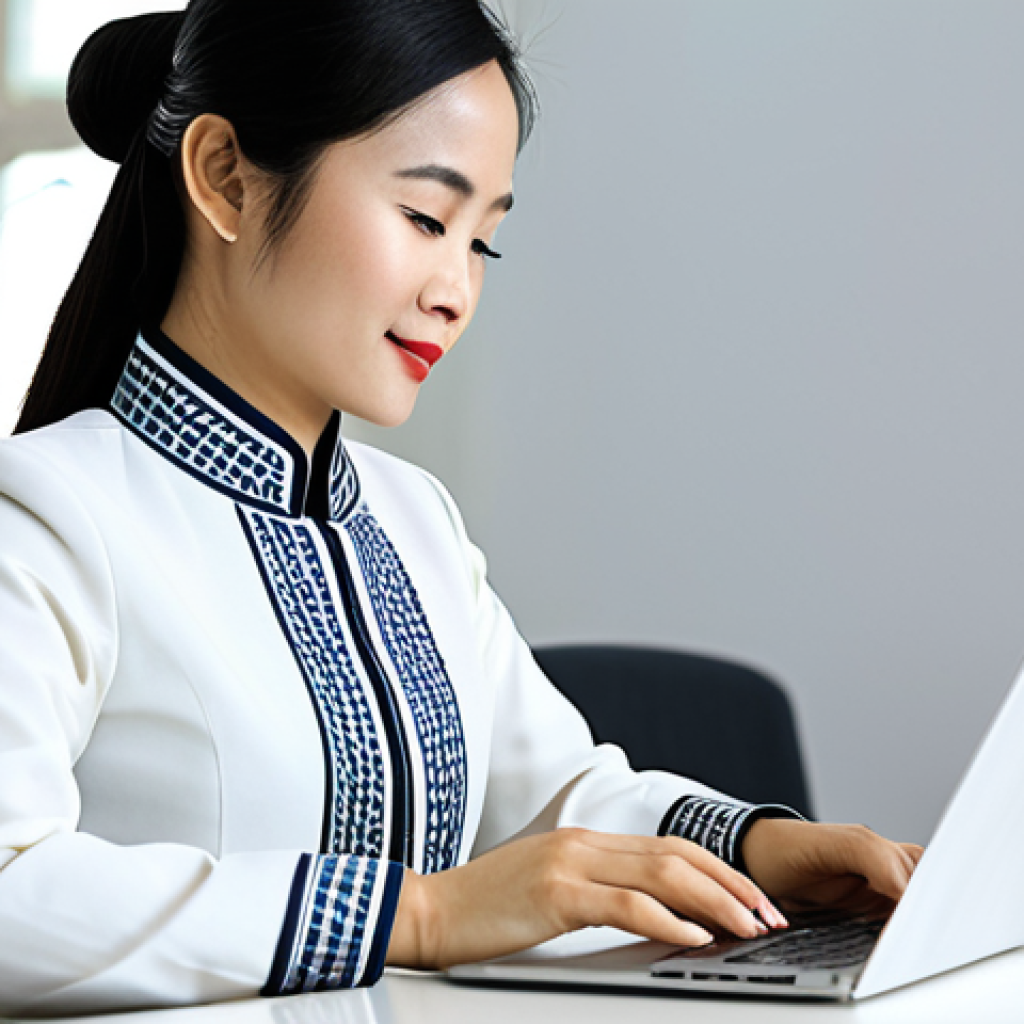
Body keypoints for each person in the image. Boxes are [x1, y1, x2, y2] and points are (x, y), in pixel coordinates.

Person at [0, 0, 922, 1015]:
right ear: (225, 176)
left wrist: (758, 845)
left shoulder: (412, 519)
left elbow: (549, 802)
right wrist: (422, 915)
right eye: (426, 218)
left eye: (484, 242)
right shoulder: (44, 515)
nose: (456, 290)